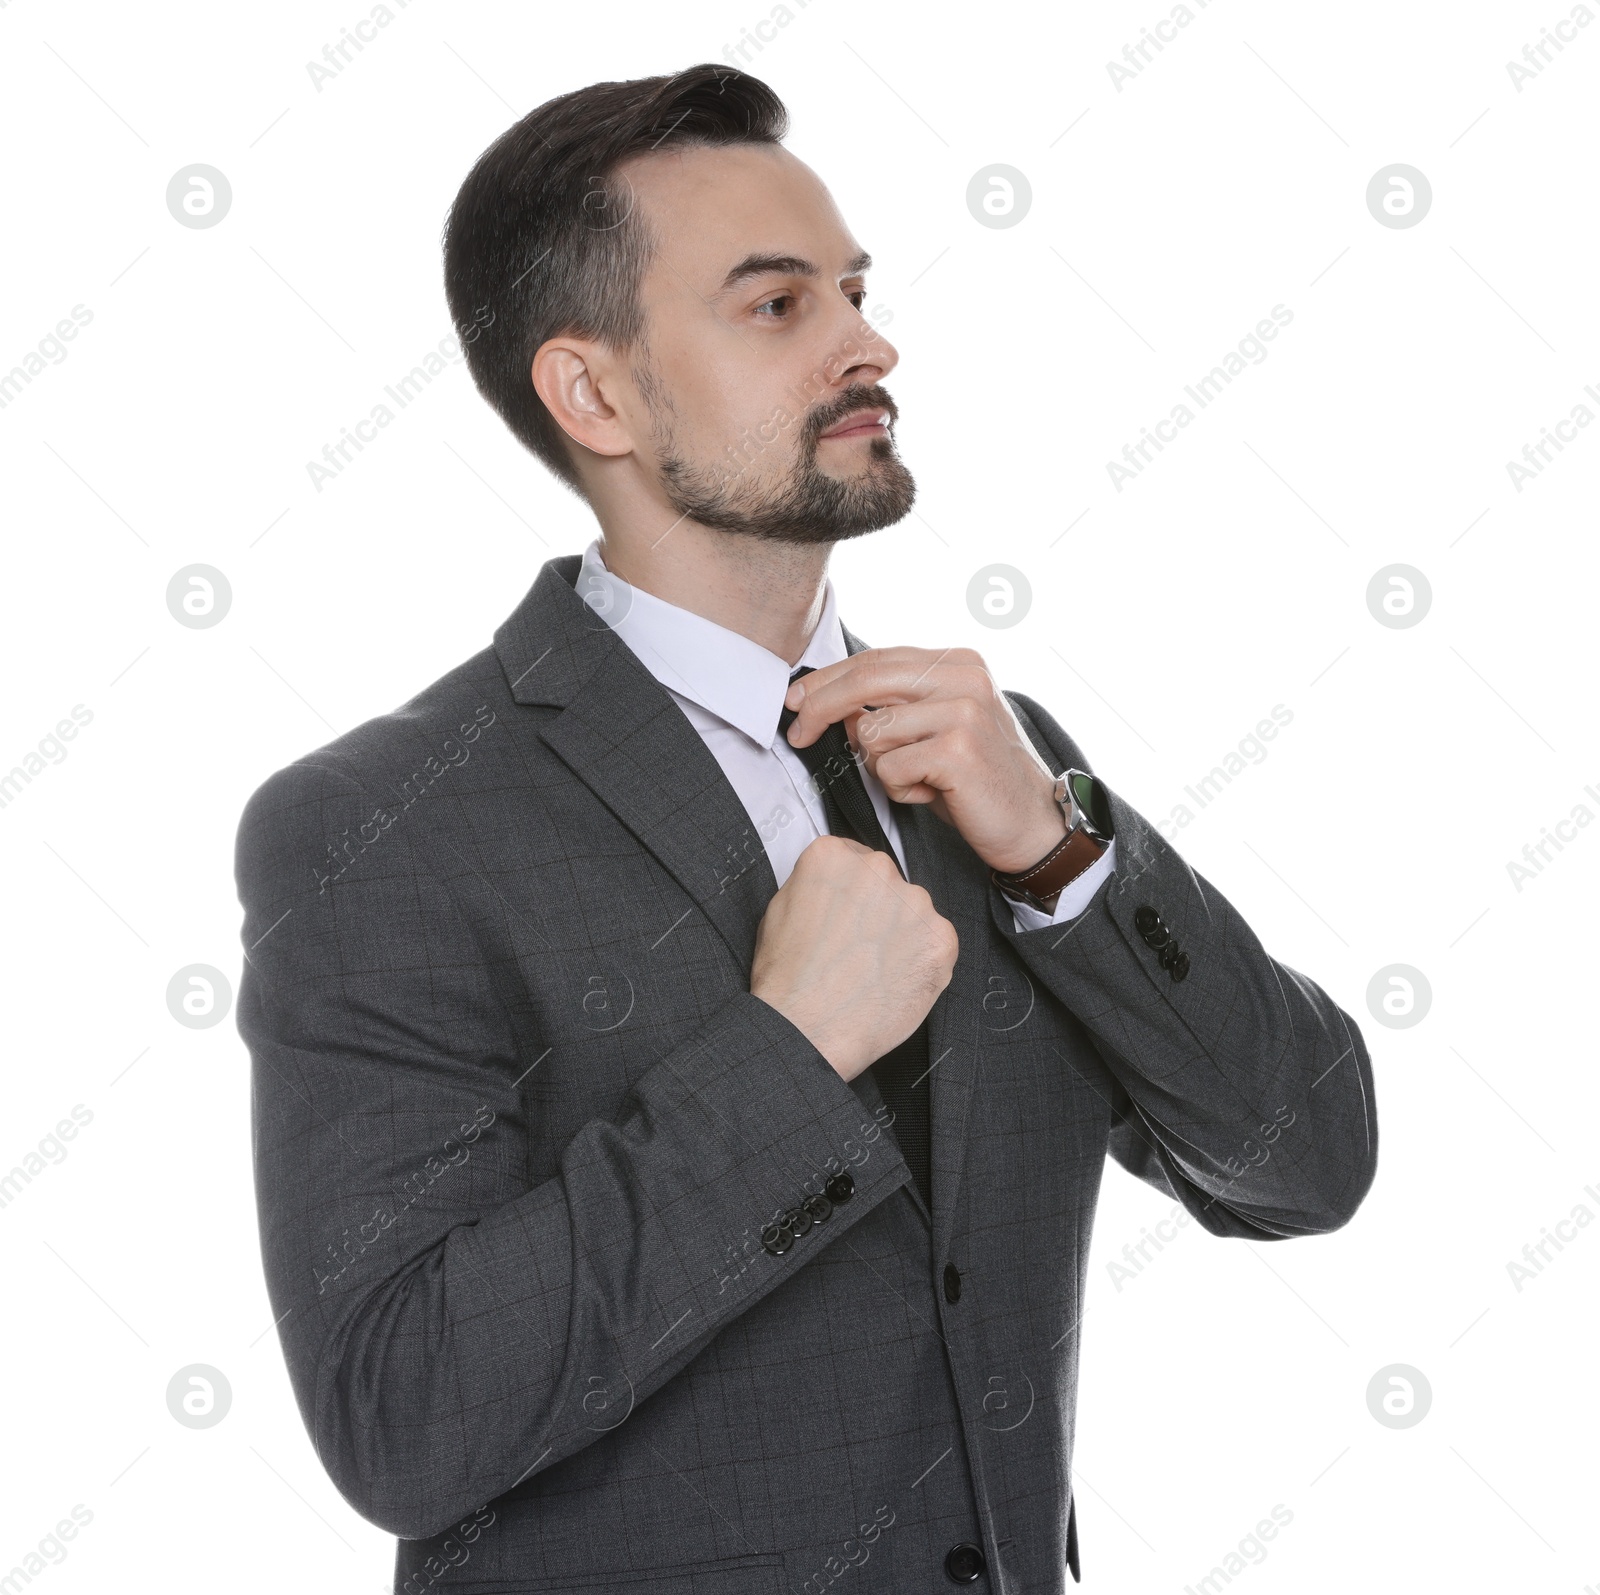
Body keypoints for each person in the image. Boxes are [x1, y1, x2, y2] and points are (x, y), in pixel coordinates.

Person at [234, 62, 1377, 1595]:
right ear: (596, 394)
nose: (869, 343)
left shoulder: (992, 768)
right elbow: (406, 1419)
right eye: (778, 307)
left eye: (851, 289)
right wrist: (786, 1053)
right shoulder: (380, 827)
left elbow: (1303, 1165)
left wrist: (1058, 856)